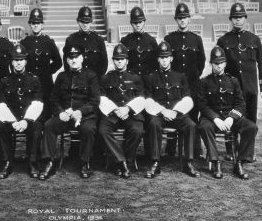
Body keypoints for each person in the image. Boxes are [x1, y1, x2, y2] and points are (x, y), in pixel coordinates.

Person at [217, 3, 262, 161]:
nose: (238, 20)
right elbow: (220, 66)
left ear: (245, 18)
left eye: (240, 17)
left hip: (251, 88)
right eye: (235, 18)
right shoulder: (223, 40)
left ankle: (247, 154)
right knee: (231, 120)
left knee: (250, 121)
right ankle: (230, 152)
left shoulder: (254, 39)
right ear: (230, 19)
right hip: (232, 90)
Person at [41, 44, 100, 180]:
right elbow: (54, 98)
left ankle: (85, 162)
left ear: (82, 58)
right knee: (49, 126)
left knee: (89, 129)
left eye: (77, 57)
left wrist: (81, 112)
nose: (74, 60)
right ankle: (49, 162)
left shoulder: (91, 76)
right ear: (67, 60)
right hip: (65, 117)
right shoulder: (61, 76)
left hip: (84, 117)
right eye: (70, 57)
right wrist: (60, 112)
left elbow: (95, 101)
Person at [198, 46, 258, 179]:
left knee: (251, 127)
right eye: (215, 63)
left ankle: (240, 162)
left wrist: (231, 118)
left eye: (221, 63)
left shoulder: (233, 81)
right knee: (203, 126)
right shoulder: (204, 82)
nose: (218, 66)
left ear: (225, 63)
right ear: (211, 64)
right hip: (212, 118)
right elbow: (202, 105)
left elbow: (241, 103)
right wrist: (215, 119)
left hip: (230, 117)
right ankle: (216, 162)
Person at [143, 41, 200, 179]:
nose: (164, 60)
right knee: (153, 124)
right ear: (158, 59)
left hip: (177, 113)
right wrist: (163, 111)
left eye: (166, 57)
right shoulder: (151, 77)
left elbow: (187, 98)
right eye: (161, 57)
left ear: (171, 58)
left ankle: (189, 162)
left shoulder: (180, 76)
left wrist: (175, 111)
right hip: (159, 114)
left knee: (191, 125)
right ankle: (156, 162)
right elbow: (147, 100)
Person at [164, 3, 206, 158]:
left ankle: (196, 150)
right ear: (176, 19)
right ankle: (170, 150)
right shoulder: (169, 38)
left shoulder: (196, 39)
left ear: (189, 19)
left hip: (192, 85)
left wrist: (193, 77)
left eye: (185, 18)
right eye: (179, 18)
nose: (182, 21)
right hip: (174, 86)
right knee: (172, 114)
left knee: (193, 116)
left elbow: (201, 62)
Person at [0, 44, 44, 179]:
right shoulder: (4, 81)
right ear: (11, 62)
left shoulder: (34, 80)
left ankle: (32, 163)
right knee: (0, 127)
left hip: (28, 119)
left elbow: (38, 103)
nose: (18, 63)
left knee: (37, 127)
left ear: (25, 61)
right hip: (12, 119)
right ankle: (7, 163)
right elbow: (1, 104)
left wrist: (26, 120)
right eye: (15, 60)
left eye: (21, 60)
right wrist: (13, 121)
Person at [98, 44, 145, 178]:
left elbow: (142, 97)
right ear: (113, 61)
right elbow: (101, 97)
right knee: (102, 130)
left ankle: (126, 161)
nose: (119, 61)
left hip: (130, 114)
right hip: (112, 114)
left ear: (127, 61)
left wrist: (128, 108)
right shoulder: (106, 78)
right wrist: (114, 109)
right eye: (117, 59)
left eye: (122, 59)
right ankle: (121, 162)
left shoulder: (136, 78)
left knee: (138, 130)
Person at [20, 8, 62, 121]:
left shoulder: (49, 42)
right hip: (29, 84)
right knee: (31, 115)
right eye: (33, 23)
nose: (35, 26)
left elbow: (58, 62)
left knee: (46, 115)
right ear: (30, 24)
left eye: (38, 23)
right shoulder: (24, 43)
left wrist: (47, 72)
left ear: (42, 24)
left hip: (46, 84)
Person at [63, 6, 108, 78]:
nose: (85, 24)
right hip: (76, 80)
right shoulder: (71, 40)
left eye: (87, 22)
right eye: (82, 21)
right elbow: (66, 64)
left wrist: (95, 80)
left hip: (94, 82)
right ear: (77, 21)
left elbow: (104, 64)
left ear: (91, 22)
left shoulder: (99, 40)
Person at [121, 6, 158, 78]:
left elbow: (156, 63)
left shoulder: (151, 41)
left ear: (144, 22)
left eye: (140, 22)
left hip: (148, 79)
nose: (138, 25)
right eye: (135, 22)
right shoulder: (125, 41)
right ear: (131, 23)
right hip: (131, 79)